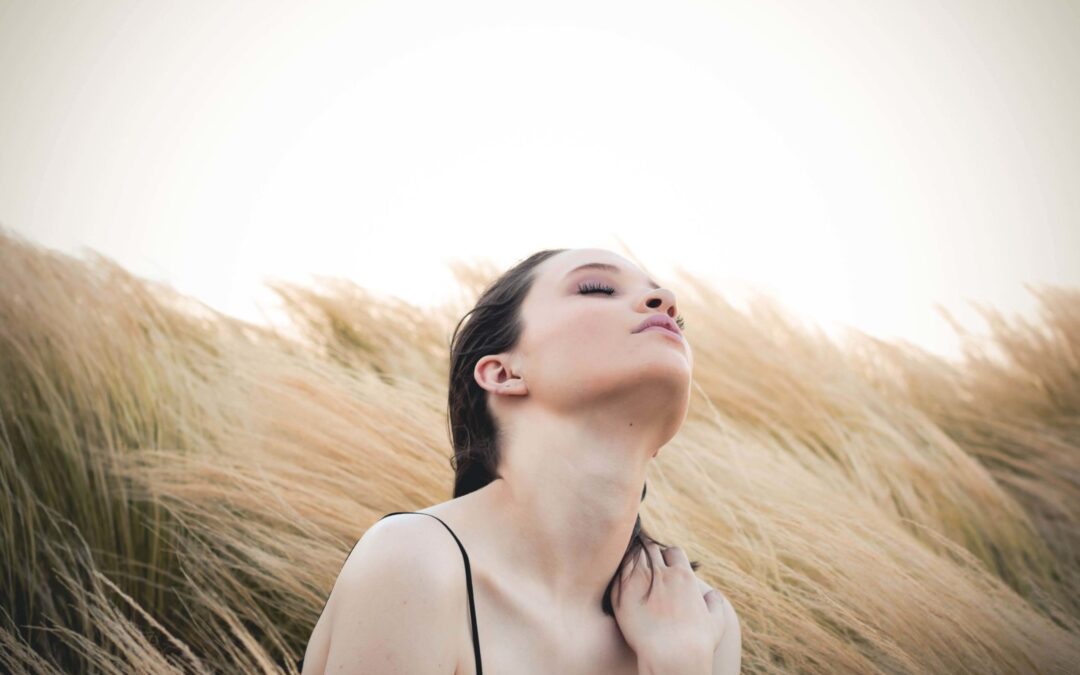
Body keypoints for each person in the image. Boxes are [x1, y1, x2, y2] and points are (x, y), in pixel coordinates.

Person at [299, 247, 742, 674]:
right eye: (596, 288)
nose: (665, 302)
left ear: (660, 440)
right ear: (504, 373)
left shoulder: (702, 622)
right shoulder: (415, 562)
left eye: (674, 314)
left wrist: (680, 665)